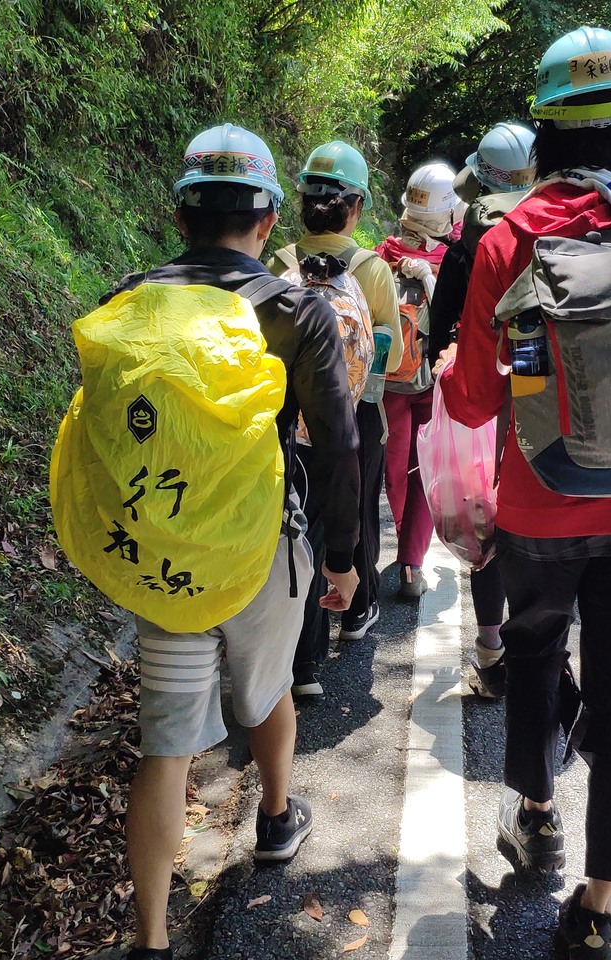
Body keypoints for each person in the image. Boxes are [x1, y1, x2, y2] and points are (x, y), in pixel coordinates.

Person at [74, 124, 361, 960]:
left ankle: (153, 940)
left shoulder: (132, 301)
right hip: (260, 550)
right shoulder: (293, 309)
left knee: (164, 747)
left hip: (161, 555)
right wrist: (340, 559)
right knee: (268, 688)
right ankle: (275, 819)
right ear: (268, 219)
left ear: (181, 214)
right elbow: (338, 443)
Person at [439, 26, 611, 959]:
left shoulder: (510, 239)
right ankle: (598, 903)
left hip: (540, 502)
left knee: (538, 653)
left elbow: (469, 398)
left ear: (543, 135)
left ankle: (538, 810)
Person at [268, 141, 402, 695]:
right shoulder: (371, 269)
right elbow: (391, 356)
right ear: (356, 207)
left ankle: (301, 659)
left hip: (287, 416)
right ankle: (357, 610)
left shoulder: (279, 262)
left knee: (298, 522)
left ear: (301, 202)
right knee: (355, 507)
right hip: (356, 411)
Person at [429, 121, 536, 698]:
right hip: (546, 407)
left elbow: (437, 338)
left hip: (485, 409)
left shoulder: (467, 247)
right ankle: (543, 646)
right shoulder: (554, 227)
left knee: (484, 521)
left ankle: (492, 651)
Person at [375, 161, 459, 601]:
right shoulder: (457, 259)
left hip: (391, 380)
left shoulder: (382, 254)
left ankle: (405, 551)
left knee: (396, 469)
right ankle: (411, 560)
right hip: (435, 380)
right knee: (425, 467)